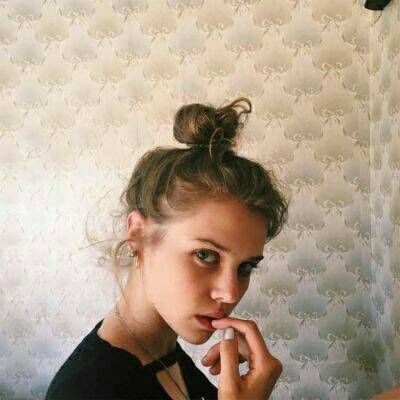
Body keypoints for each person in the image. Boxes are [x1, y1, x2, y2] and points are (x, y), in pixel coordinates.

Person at [45, 97, 289, 400]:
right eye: (205, 255)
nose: (229, 293)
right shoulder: (85, 391)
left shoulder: (163, 351)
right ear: (138, 234)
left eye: (245, 267)